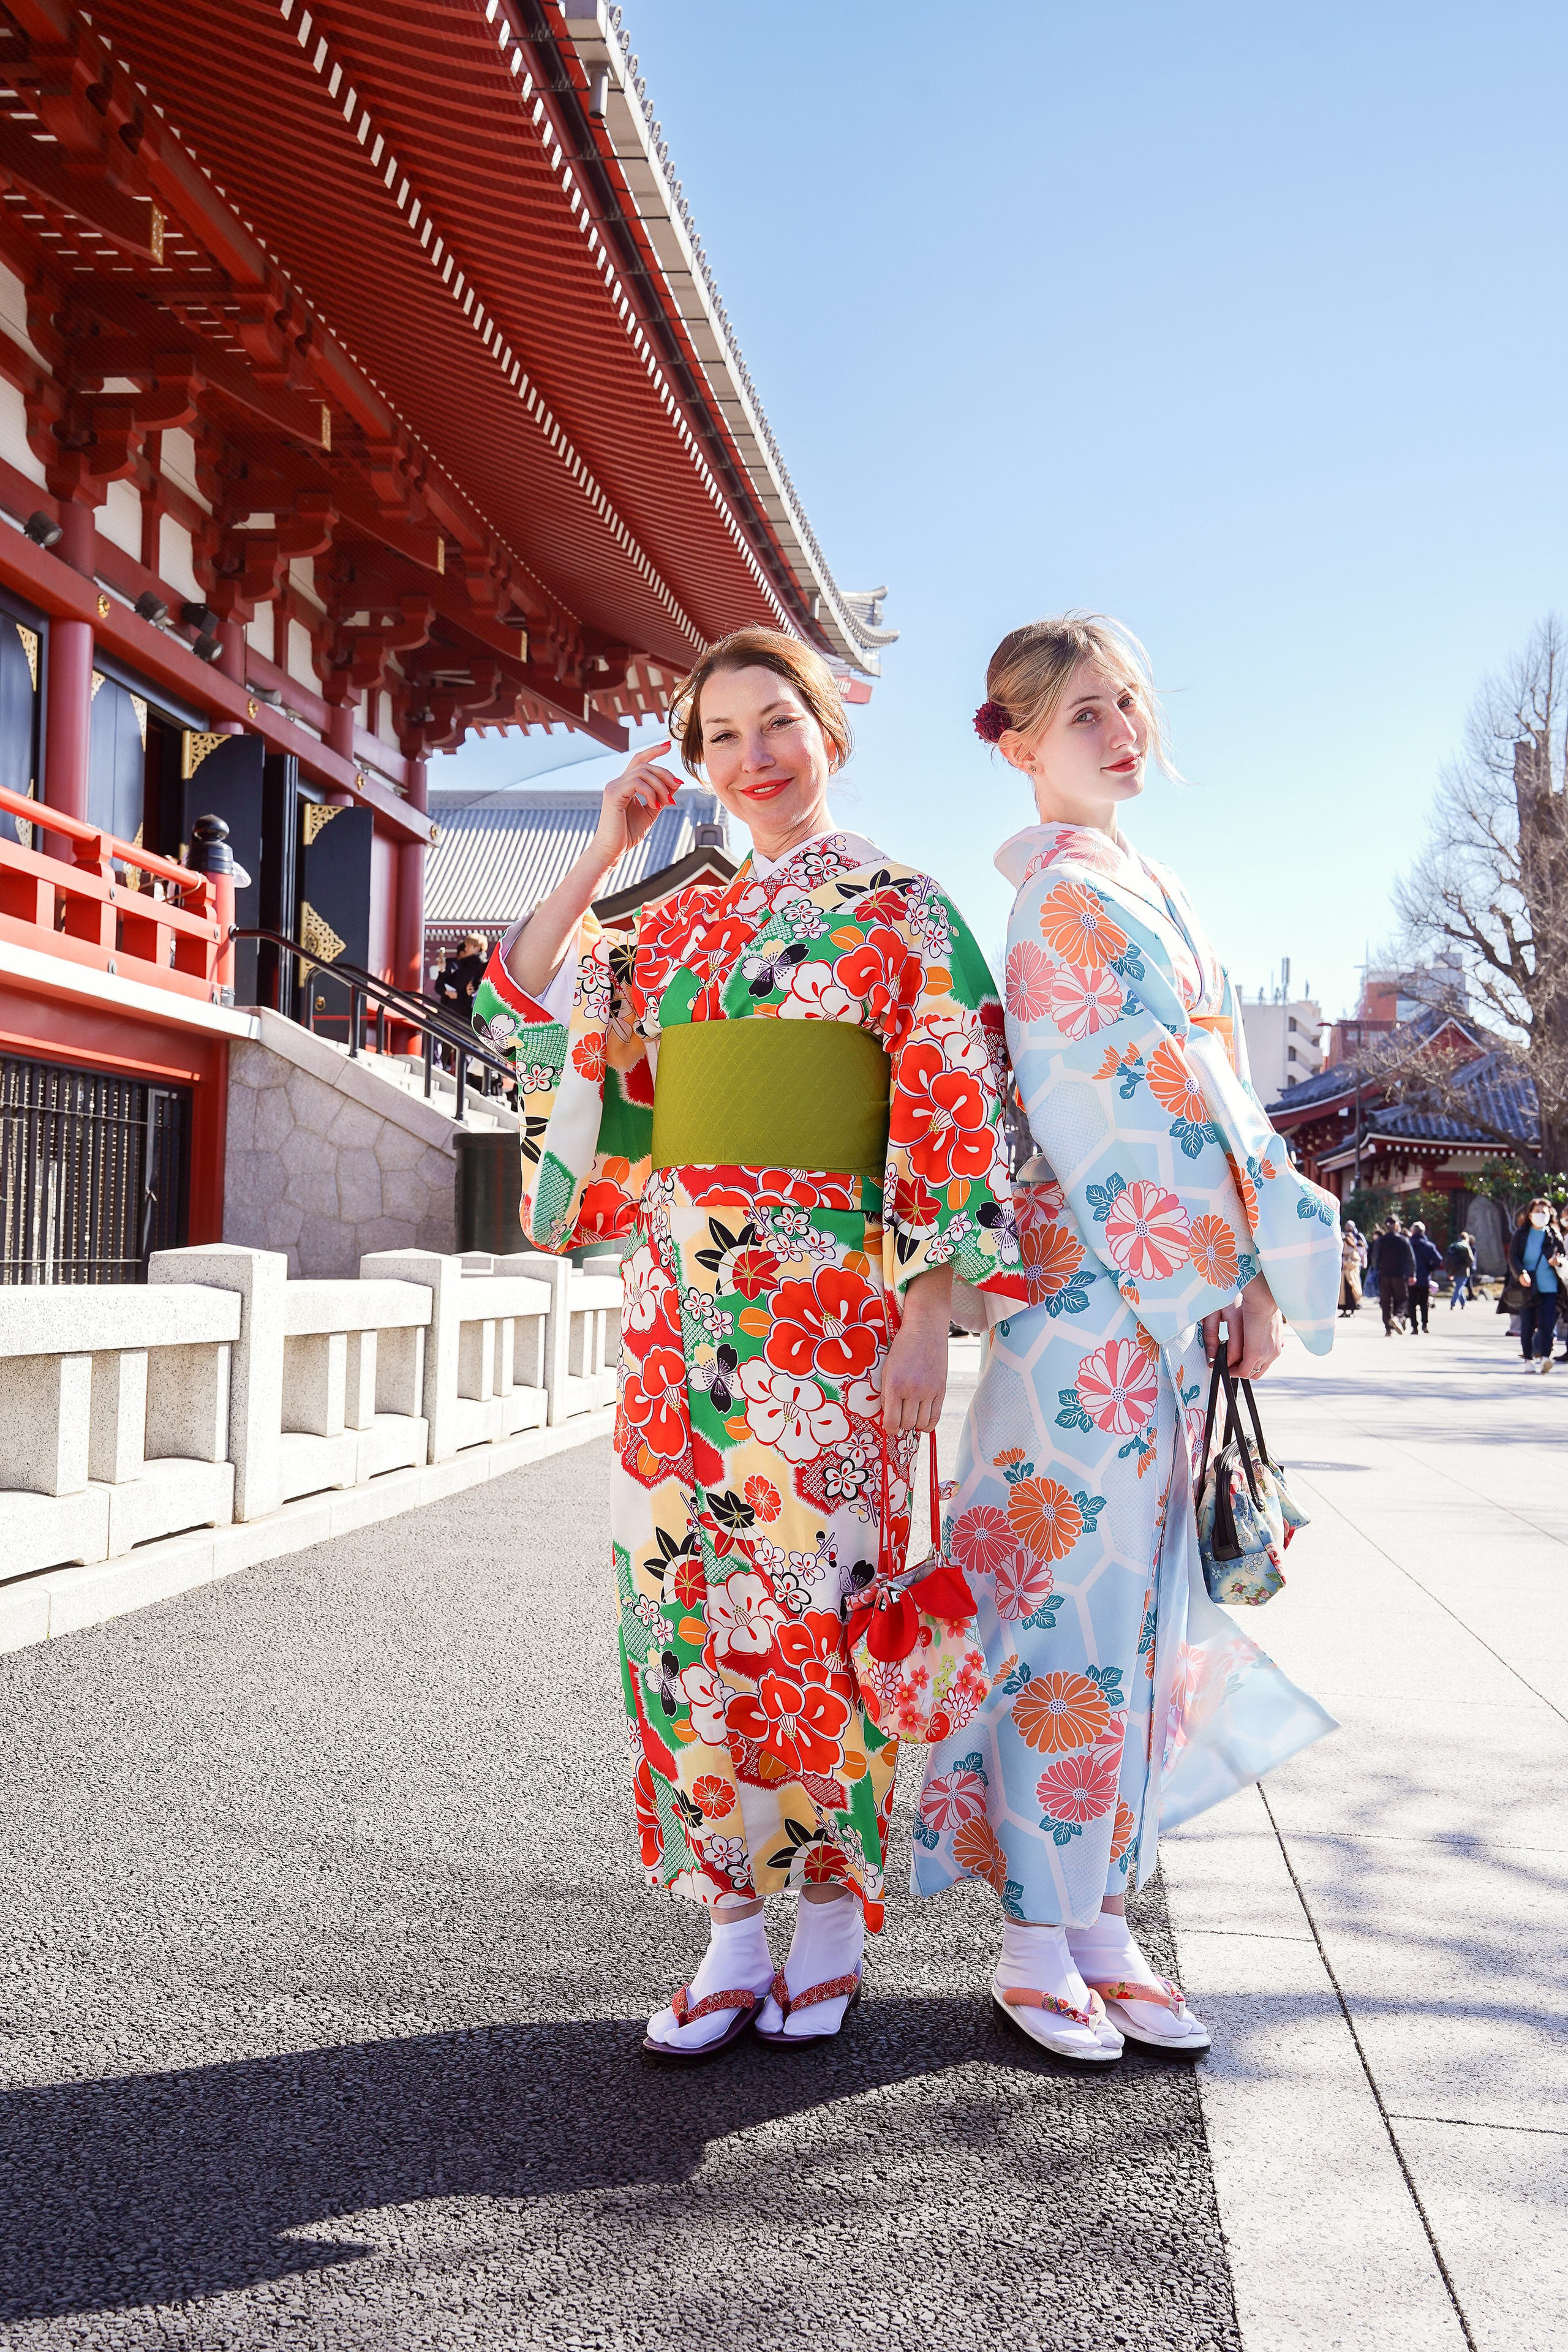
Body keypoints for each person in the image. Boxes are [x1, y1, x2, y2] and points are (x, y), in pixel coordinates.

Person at [473, 628, 1020, 2061]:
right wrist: (602, 853)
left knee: (819, 1609)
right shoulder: (670, 919)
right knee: (676, 1606)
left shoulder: (902, 909)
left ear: (829, 730)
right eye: (718, 735)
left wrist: (922, 1318)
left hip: (827, 1314)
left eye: (776, 721)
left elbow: (946, 1115)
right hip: (676, 1311)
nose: (750, 756)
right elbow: (531, 1000)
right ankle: (724, 1919)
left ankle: (830, 1914)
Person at [913, 615, 1339, 2064]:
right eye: (1082, 707)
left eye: (1130, 701)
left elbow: (1203, 1099)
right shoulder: (1061, 904)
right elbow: (1131, 1118)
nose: (1118, 726)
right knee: (1064, 1614)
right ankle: (1037, 1933)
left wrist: (1251, 1282)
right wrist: (1237, 1266)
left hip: (1152, 1308)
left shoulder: (1142, 886)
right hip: (1096, 1309)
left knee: (1141, 1621)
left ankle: (1095, 1913)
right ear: (1016, 742)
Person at [1507, 1198, 1566, 1371]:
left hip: (1549, 1286)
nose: (1541, 1215)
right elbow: (1513, 1257)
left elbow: (1562, 1256)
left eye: (1544, 1212)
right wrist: (1520, 1273)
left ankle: (1546, 1357)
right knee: (1527, 1324)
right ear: (1530, 1214)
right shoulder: (1521, 1234)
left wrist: (1559, 1262)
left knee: (1548, 1324)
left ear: (1550, 1215)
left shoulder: (1554, 1234)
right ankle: (1528, 1359)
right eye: (1537, 1211)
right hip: (1527, 1286)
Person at [1374, 1219, 1416, 1335]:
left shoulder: (1381, 1241)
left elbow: (1375, 1259)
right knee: (1402, 1299)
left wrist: (1378, 1269)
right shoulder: (1404, 1240)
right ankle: (1397, 1318)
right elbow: (1411, 1259)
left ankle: (1388, 1329)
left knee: (1386, 1301)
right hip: (1399, 1274)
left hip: (1384, 1274)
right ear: (1397, 1226)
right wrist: (1412, 1274)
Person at [1407, 1221, 1443, 1334]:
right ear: (1423, 1232)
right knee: (1424, 1303)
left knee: (1412, 1303)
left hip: (1410, 1278)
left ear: (1412, 1231)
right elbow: (1439, 1260)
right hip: (1424, 1278)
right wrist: (1430, 1269)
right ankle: (1425, 1324)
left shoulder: (1408, 1244)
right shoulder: (1429, 1246)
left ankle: (1414, 1327)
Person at [1339, 1220, 1366, 1316]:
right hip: (1343, 1276)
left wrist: (1346, 1262)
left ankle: (1352, 1309)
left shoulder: (1353, 1251)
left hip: (1351, 1276)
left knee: (1351, 1293)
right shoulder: (1341, 1252)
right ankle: (1344, 1310)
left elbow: (1356, 1262)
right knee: (1343, 1294)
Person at [1446, 1229, 1476, 1310]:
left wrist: (1449, 1271)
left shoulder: (1453, 1246)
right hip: (1464, 1270)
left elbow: (1448, 1259)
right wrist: (1467, 1265)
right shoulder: (1466, 1247)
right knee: (1459, 1288)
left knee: (1459, 1287)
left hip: (1454, 1270)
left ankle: (1464, 1303)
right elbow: (1471, 1260)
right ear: (1466, 1238)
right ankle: (1453, 1303)